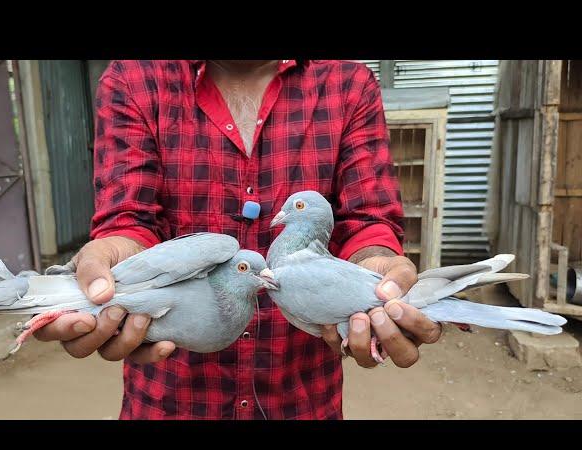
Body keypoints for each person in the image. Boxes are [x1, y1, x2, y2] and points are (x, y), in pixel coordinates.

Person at [33, 60, 442, 419]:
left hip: (301, 394)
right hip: (170, 395)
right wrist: (116, 256)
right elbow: (131, 217)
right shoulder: (133, 79)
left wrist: (377, 265)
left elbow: (365, 220)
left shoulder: (348, 84)